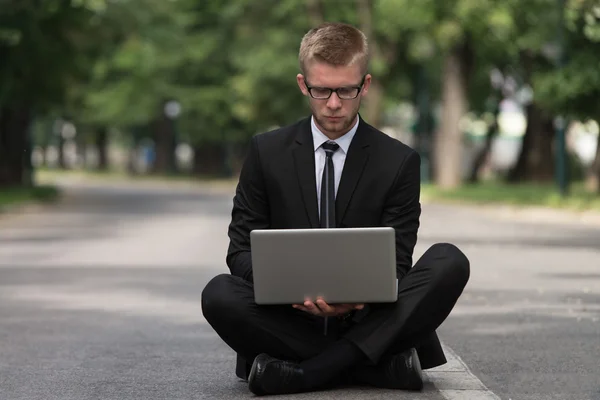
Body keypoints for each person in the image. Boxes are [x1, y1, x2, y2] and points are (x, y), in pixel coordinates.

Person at [201, 22, 470, 396]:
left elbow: (396, 261)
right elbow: (240, 251)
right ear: (302, 84)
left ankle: (308, 373)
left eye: (346, 90)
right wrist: (293, 289)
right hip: (288, 318)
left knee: (449, 261)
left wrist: (357, 297)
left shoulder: (398, 160)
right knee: (218, 294)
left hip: (368, 316)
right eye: (321, 90)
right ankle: (375, 368)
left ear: (365, 85)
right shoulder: (266, 152)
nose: (332, 103)